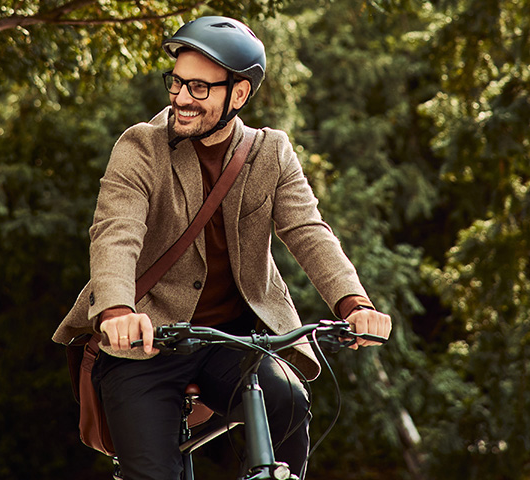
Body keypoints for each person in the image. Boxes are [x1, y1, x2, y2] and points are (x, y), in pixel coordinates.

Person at [52, 16, 392, 479]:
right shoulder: (141, 147)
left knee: (289, 403)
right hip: (146, 340)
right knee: (153, 472)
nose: (180, 98)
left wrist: (355, 304)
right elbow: (116, 231)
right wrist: (115, 311)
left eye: (198, 87)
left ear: (239, 94)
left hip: (232, 340)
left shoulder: (270, 153)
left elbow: (308, 231)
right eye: (176, 82)